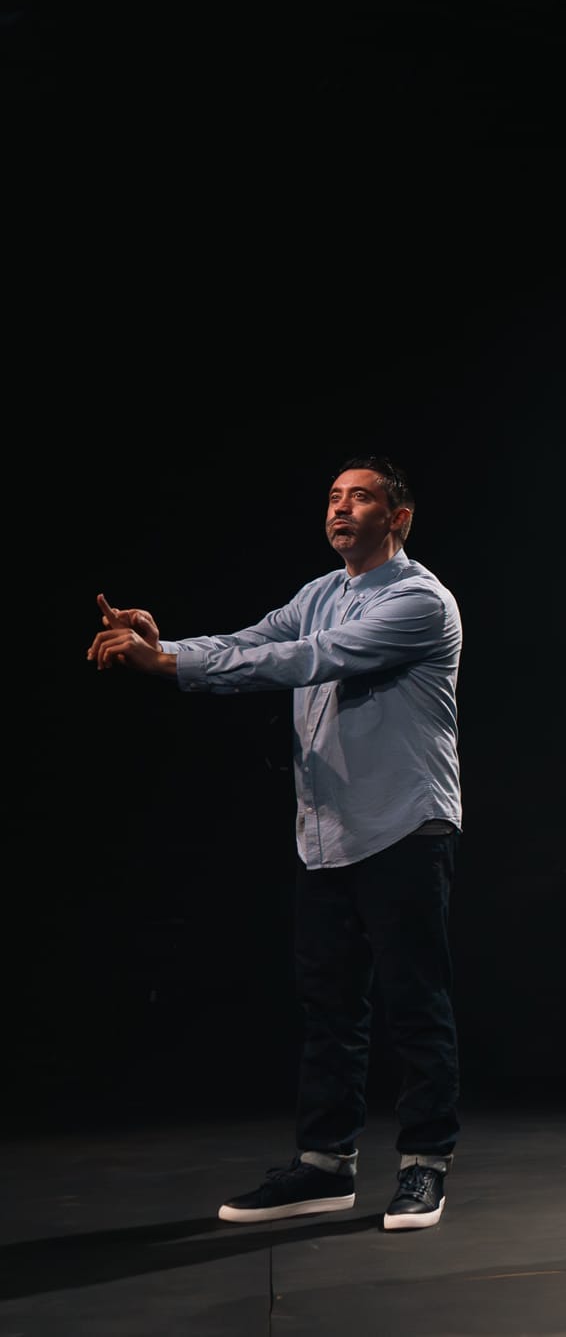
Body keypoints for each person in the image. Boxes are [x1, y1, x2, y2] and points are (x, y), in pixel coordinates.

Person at [88, 455, 464, 1233]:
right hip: (325, 836)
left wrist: (167, 666)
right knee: (330, 1007)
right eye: (334, 496)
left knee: (414, 1004)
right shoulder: (318, 593)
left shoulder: (420, 601)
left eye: (361, 497)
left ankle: (425, 1163)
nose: (341, 508)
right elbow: (253, 638)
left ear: (398, 518)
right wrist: (168, 643)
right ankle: (325, 1164)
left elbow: (304, 659)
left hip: (402, 826)